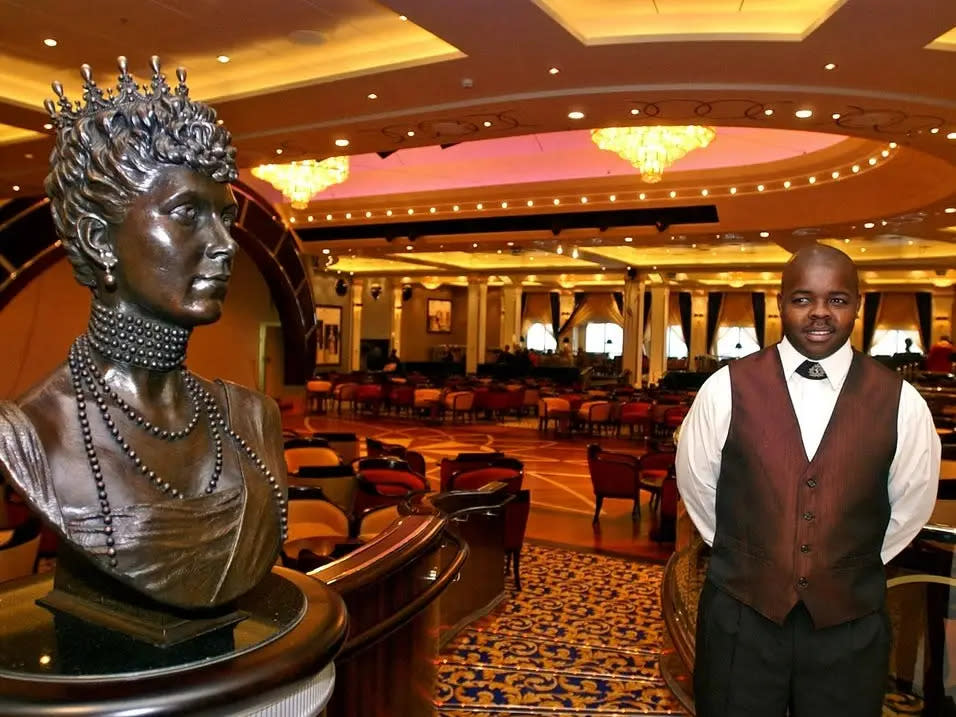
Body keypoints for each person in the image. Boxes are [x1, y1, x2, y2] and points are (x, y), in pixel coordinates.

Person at [0, 57, 287, 610]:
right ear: (99, 238)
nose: (225, 244)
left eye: (225, 218)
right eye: (186, 213)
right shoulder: (32, 436)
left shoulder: (254, 418)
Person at [676, 244, 940, 717]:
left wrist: (841, 564)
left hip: (849, 627)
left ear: (858, 305)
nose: (820, 313)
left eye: (836, 299)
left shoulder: (902, 402)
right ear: (780, 303)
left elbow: (911, 504)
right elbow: (698, 487)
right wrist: (754, 556)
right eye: (803, 299)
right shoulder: (724, 388)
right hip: (741, 617)